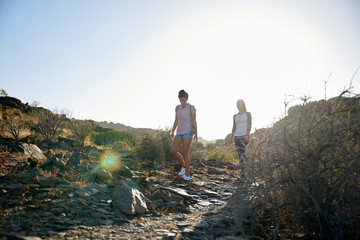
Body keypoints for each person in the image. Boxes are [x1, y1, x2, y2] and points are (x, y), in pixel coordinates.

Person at [170, 90, 197, 181]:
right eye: (181, 100)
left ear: (187, 99)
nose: (182, 102)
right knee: (173, 150)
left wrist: (196, 133)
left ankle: (187, 175)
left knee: (185, 152)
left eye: (184, 100)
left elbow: (194, 121)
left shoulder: (191, 108)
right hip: (179, 132)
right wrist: (172, 132)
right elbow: (176, 121)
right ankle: (184, 166)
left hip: (188, 132)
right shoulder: (177, 108)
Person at [230, 99, 252, 175]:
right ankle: (243, 172)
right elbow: (234, 127)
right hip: (237, 137)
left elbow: (249, 125)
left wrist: (247, 135)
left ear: (243, 104)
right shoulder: (235, 116)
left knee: (243, 153)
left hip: (244, 136)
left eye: (240, 103)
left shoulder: (248, 114)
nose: (239, 105)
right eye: (237, 104)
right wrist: (231, 138)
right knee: (239, 154)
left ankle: (250, 165)